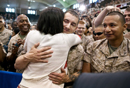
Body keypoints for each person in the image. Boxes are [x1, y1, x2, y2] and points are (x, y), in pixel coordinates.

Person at [15, 9, 84, 88]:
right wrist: (27, 57)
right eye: (66, 21)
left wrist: (67, 78)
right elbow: (17, 65)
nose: (67, 26)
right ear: (58, 20)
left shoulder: (79, 49)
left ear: (76, 28)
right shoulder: (36, 41)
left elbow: (82, 72)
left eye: (73, 24)